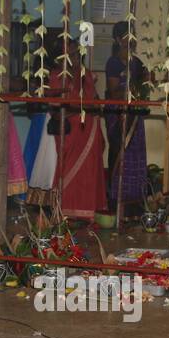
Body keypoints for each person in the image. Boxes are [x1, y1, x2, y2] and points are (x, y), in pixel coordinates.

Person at [49, 32, 107, 218]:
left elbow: (95, 99)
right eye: (70, 55)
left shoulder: (86, 74)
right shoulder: (56, 76)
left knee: (90, 172)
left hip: (90, 129)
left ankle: (89, 210)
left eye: (76, 54)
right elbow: (55, 108)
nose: (75, 59)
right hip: (71, 130)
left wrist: (95, 107)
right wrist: (81, 108)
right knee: (68, 169)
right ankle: (65, 210)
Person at [104, 20, 150, 216]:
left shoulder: (136, 62)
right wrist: (130, 87)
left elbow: (145, 85)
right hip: (119, 115)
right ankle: (115, 199)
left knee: (136, 154)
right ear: (117, 39)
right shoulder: (113, 63)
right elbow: (114, 92)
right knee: (119, 153)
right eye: (124, 36)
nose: (128, 40)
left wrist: (146, 79)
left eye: (131, 36)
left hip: (134, 115)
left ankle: (135, 200)